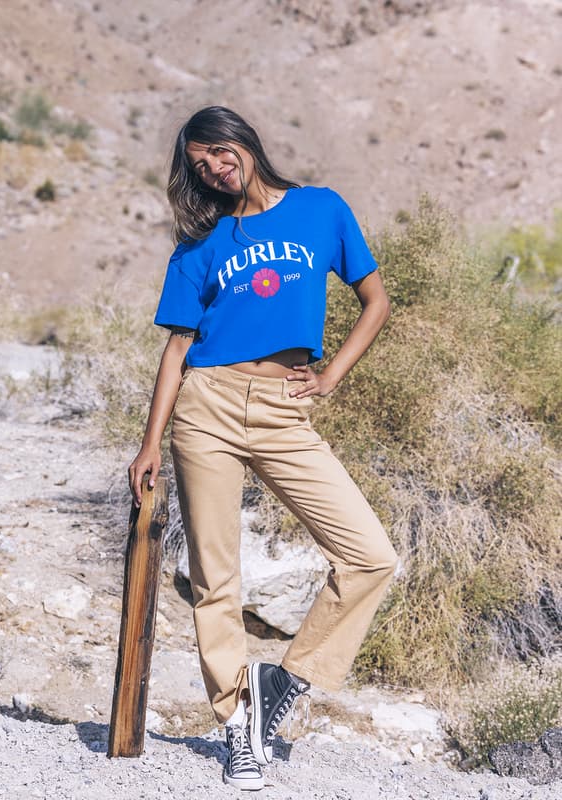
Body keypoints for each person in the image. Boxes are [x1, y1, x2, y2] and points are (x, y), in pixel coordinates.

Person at [128, 106, 398, 791]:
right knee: (216, 581)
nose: (215, 168)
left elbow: (376, 300)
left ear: (244, 141)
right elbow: (178, 346)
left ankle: (289, 678)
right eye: (199, 165)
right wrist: (150, 441)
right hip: (208, 406)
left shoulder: (320, 209)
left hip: (285, 408)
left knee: (370, 556)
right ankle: (237, 726)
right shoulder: (201, 242)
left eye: (219, 151)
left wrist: (333, 373)